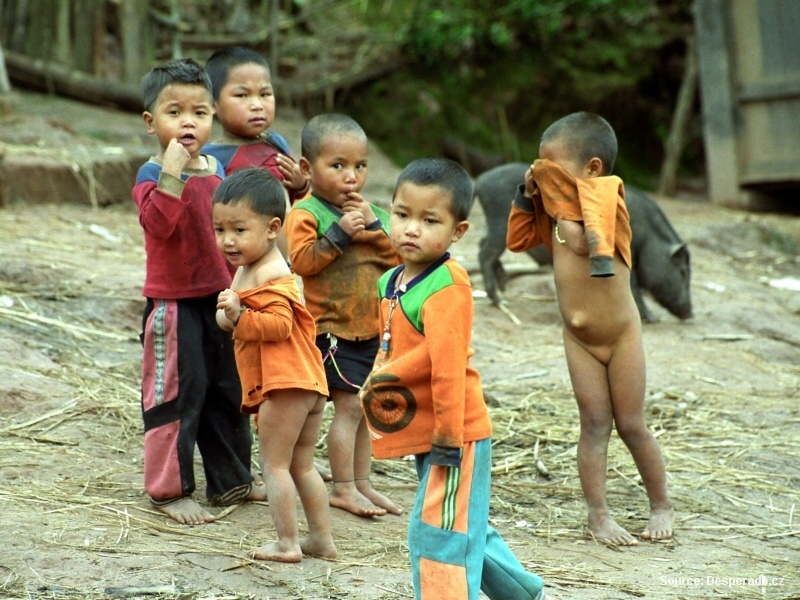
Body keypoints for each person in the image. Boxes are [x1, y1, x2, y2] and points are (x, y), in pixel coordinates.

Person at [360, 157, 546, 600]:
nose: (410, 229)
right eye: (402, 214)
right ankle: (526, 595)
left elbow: (447, 370)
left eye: (429, 220)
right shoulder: (390, 281)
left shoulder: (448, 285)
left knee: (438, 532)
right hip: (430, 431)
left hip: (454, 433)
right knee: (464, 524)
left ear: (457, 232)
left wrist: (446, 438)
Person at [506, 111, 675, 546]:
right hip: (579, 339)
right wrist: (527, 195)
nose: (544, 177)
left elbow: (583, 244)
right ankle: (598, 516)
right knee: (594, 424)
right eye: (538, 168)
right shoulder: (553, 209)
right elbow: (518, 241)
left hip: (621, 337)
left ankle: (661, 504)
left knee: (632, 423)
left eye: (552, 169)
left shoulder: (604, 196)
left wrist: (560, 206)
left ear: (591, 169)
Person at [133, 57, 266, 525]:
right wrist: (171, 172)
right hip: (173, 305)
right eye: (174, 112)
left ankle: (231, 481)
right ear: (151, 122)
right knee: (176, 393)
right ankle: (169, 491)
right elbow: (158, 224)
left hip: (221, 299)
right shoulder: (150, 175)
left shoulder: (218, 171)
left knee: (228, 391)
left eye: (200, 112)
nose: (188, 122)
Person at [213, 167, 337, 563]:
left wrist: (240, 317)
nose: (228, 240)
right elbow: (230, 319)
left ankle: (287, 544)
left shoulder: (271, 273)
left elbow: (279, 326)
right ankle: (321, 540)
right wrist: (229, 313)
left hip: (285, 384)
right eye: (219, 229)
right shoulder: (250, 267)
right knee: (302, 465)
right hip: (307, 382)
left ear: (272, 228)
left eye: (239, 230)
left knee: (275, 465)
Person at [285, 113, 401, 517]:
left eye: (360, 166)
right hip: (331, 331)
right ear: (306, 168)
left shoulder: (373, 215)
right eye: (338, 166)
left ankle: (362, 483)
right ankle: (344, 488)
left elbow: (400, 258)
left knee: (366, 409)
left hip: (371, 330)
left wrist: (372, 226)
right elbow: (301, 262)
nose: (351, 177)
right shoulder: (307, 213)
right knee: (348, 408)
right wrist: (339, 235)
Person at [203, 46, 309, 201]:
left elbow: (296, 199)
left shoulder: (276, 143)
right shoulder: (211, 159)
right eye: (242, 95)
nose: (257, 105)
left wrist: (301, 185)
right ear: (213, 104)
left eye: (265, 94)